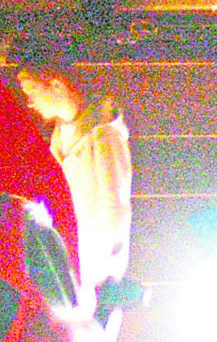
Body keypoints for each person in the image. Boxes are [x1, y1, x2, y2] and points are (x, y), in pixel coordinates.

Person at [16, 66, 133, 291]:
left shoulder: (104, 134)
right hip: (73, 260)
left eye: (32, 91)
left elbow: (114, 204)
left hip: (94, 269)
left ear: (57, 85)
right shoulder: (62, 135)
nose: (30, 102)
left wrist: (101, 265)